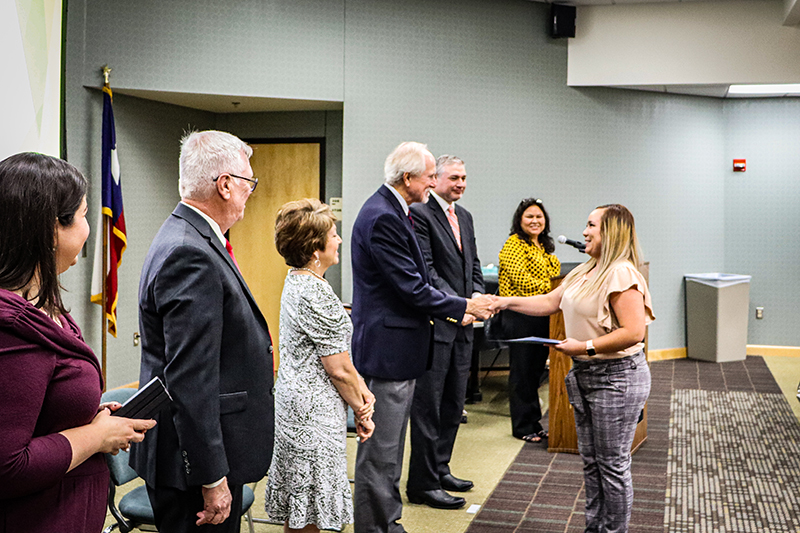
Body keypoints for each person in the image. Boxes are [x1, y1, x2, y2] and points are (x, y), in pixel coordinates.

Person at [0, 152, 155, 533]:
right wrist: (97, 435)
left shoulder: (44, 306)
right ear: (52, 229)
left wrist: (89, 416)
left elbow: (40, 414)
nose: (90, 228)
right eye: (84, 214)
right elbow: (7, 465)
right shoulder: (13, 329)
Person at [131, 131, 274, 533]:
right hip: (193, 467)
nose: (251, 191)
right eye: (249, 181)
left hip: (196, 452)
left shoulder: (192, 236)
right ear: (226, 185)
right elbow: (189, 380)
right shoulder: (189, 252)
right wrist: (211, 476)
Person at [351, 142, 493, 532]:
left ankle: (387, 522)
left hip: (400, 348)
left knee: (392, 449)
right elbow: (412, 288)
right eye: (431, 175)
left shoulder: (396, 211)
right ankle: (377, 527)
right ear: (409, 178)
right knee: (381, 454)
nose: (435, 182)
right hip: (388, 352)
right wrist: (465, 306)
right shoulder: (383, 216)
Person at [491, 204, 654, 533]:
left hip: (617, 377)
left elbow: (634, 332)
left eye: (591, 225)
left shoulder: (621, 272)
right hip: (584, 375)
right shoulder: (586, 270)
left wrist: (583, 347)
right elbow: (550, 302)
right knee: (592, 463)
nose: (584, 231)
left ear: (610, 232)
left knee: (612, 466)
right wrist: (502, 301)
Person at [266, 198, 375, 533]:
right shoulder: (317, 294)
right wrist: (362, 408)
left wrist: (362, 390)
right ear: (316, 248)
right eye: (333, 234)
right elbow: (338, 368)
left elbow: (338, 359)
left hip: (295, 403)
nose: (339, 240)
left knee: (301, 506)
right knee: (310, 507)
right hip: (312, 413)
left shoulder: (297, 281)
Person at [407, 155, 484, 509]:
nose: (461, 184)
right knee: (429, 407)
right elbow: (428, 272)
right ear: (435, 179)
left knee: (454, 404)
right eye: (454, 177)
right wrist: (462, 307)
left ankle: (441, 469)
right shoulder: (420, 214)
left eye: (465, 178)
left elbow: (474, 265)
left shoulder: (464, 216)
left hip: (464, 328)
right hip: (437, 326)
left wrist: (479, 296)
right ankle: (422, 484)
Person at [497, 198, 560, 443]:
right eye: (529, 217)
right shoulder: (514, 244)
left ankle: (534, 422)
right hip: (520, 315)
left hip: (542, 315)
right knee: (522, 374)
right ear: (519, 221)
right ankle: (522, 427)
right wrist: (555, 292)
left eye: (539, 217)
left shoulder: (544, 247)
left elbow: (553, 276)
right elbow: (523, 283)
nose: (535, 221)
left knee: (535, 374)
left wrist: (554, 293)